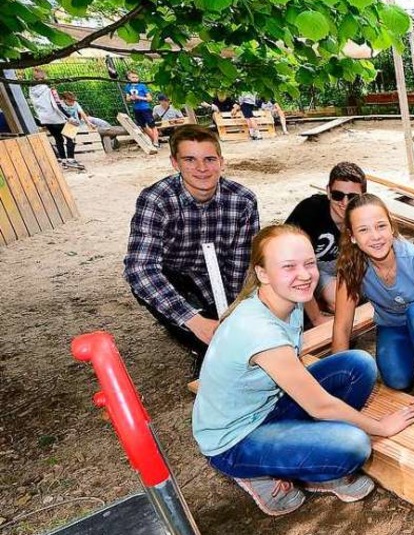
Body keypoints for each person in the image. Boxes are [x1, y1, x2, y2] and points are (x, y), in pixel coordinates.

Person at [193, 224, 414, 516]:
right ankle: (260, 471)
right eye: (288, 266)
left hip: (267, 407)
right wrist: (382, 428)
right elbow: (320, 405)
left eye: (310, 263)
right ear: (262, 273)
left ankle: (299, 455)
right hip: (235, 439)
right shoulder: (258, 330)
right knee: (354, 444)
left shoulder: (288, 300)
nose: (304, 275)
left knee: (358, 364)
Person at [123, 125, 260, 365]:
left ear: (221, 161)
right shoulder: (156, 199)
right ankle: (199, 349)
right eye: (190, 159)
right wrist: (194, 321)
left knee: (235, 329)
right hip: (170, 274)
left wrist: (235, 313)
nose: (201, 168)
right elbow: (140, 269)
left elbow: (241, 266)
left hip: (214, 276)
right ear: (175, 163)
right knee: (199, 332)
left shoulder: (243, 200)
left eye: (209, 159)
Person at [332, 194, 414, 402]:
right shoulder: (351, 267)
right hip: (392, 325)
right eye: (363, 230)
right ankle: (412, 357)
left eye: (381, 226)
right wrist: (337, 385)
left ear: (391, 227)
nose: (375, 236)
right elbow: (342, 327)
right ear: (352, 236)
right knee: (397, 380)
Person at [286, 161, 368, 325]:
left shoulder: (367, 211)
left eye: (352, 197)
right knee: (342, 302)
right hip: (313, 267)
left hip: (349, 263)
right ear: (328, 191)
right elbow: (293, 265)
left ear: (363, 196)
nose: (344, 202)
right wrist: (316, 317)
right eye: (338, 195)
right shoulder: (310, 211)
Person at [28, 68, 72, 162]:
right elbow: (57, 105)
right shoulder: (50, 90)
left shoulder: (32, 91)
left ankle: (63, 159)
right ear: (44, 77)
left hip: (45, 120)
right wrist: (69, 117)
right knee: (70, 137)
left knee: (58, 139)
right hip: (57, 119)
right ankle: (71, 159)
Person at [124, 70, 159, 147]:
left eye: (137, 77)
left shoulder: (142, 86)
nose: (135, 79)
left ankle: (156, 142)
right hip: (136, 109)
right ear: (128, 77)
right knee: (142, 126)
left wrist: (139, 97)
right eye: (133, 77)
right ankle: (154, 141)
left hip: (145, 108)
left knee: (152, 125)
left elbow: (149, 98)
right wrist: (131, 98)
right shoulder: (127, 87)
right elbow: (127, 98)